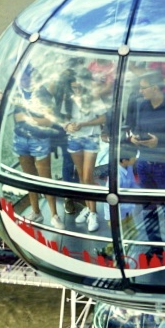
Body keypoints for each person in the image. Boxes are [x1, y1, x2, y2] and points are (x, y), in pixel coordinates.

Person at [126, 70, 165, 245]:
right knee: (148, 209)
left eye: (143, 88)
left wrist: (159, 142)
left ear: (155, 88)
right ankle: (155, 245)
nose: (141, 91)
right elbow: (138, 128)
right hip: (145, 163)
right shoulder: (142, 106)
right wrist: (135, 138)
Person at [10, 65, 67, 229]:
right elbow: (12, 115)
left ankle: (54, 215)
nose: (22, 81)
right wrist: (0, 101)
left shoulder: (41, 93)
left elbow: (50, 120)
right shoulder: (14, 93)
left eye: (25, 77)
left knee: (45, 178)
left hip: (39, 140)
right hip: (20, 139)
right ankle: (36, 212)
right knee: (29, 178)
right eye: (19, 78)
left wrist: (26, 119)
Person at [64, 67, 114, 233]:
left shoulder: (92, 97)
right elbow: (62, 118)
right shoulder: (68, 99)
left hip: (91, 137)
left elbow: (103, 118)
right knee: (80, 175)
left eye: (79, 87)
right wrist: (67, 125)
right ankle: (88, 207)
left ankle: (93, 213)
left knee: (87, 176)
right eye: (74, 87)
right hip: (74, 139)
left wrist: (83, 124)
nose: (77, 90)